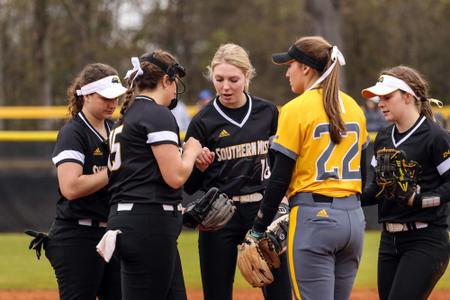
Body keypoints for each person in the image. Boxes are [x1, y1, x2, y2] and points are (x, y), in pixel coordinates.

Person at [249, 36, 370, 300]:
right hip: (353, 221)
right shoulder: (354, 108)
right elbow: (363, 174)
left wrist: (259, 226)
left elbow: (279, 177)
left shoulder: (295, 109)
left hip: (314, 219)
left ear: (306, 67)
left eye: (290, 64)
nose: (286, 72)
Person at [184, 43, 291, 300]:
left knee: (279, 291)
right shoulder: (202, 121)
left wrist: (282, 202)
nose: (225, 87)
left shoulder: (267, 112)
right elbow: (189, 185)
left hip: (262, 211)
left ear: (247, 76)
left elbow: (280, 164)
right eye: (219, 79)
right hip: (219, 214)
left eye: (234, 79)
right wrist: (198, 166)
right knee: (216, 292)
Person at [106, 51, 203, 300]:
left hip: (134, 219)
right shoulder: (157, 114)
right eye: (174, 82)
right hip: (148, 221)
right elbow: (176, 176)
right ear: (165, 80)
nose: (175, 91)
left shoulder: (129, 115)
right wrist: (191, 151)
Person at [361, 65, 449, 300]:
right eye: (380, 98)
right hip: (389, 240)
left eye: (388, 97)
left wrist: (418, 200)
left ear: (408, 96)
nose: (380, 103)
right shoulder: (382, 138)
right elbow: (374, 189)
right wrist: (343, 194)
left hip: (426, 239)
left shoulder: (435, 137)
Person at [46, 63, 126, 299]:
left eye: (116, 98)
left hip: (111, 233)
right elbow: (70, 188)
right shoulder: (74, 132)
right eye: (106, 98)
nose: (113, 103)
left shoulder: (115, 129)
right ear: (87, 95)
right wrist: (112, 171)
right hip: (77, 236)